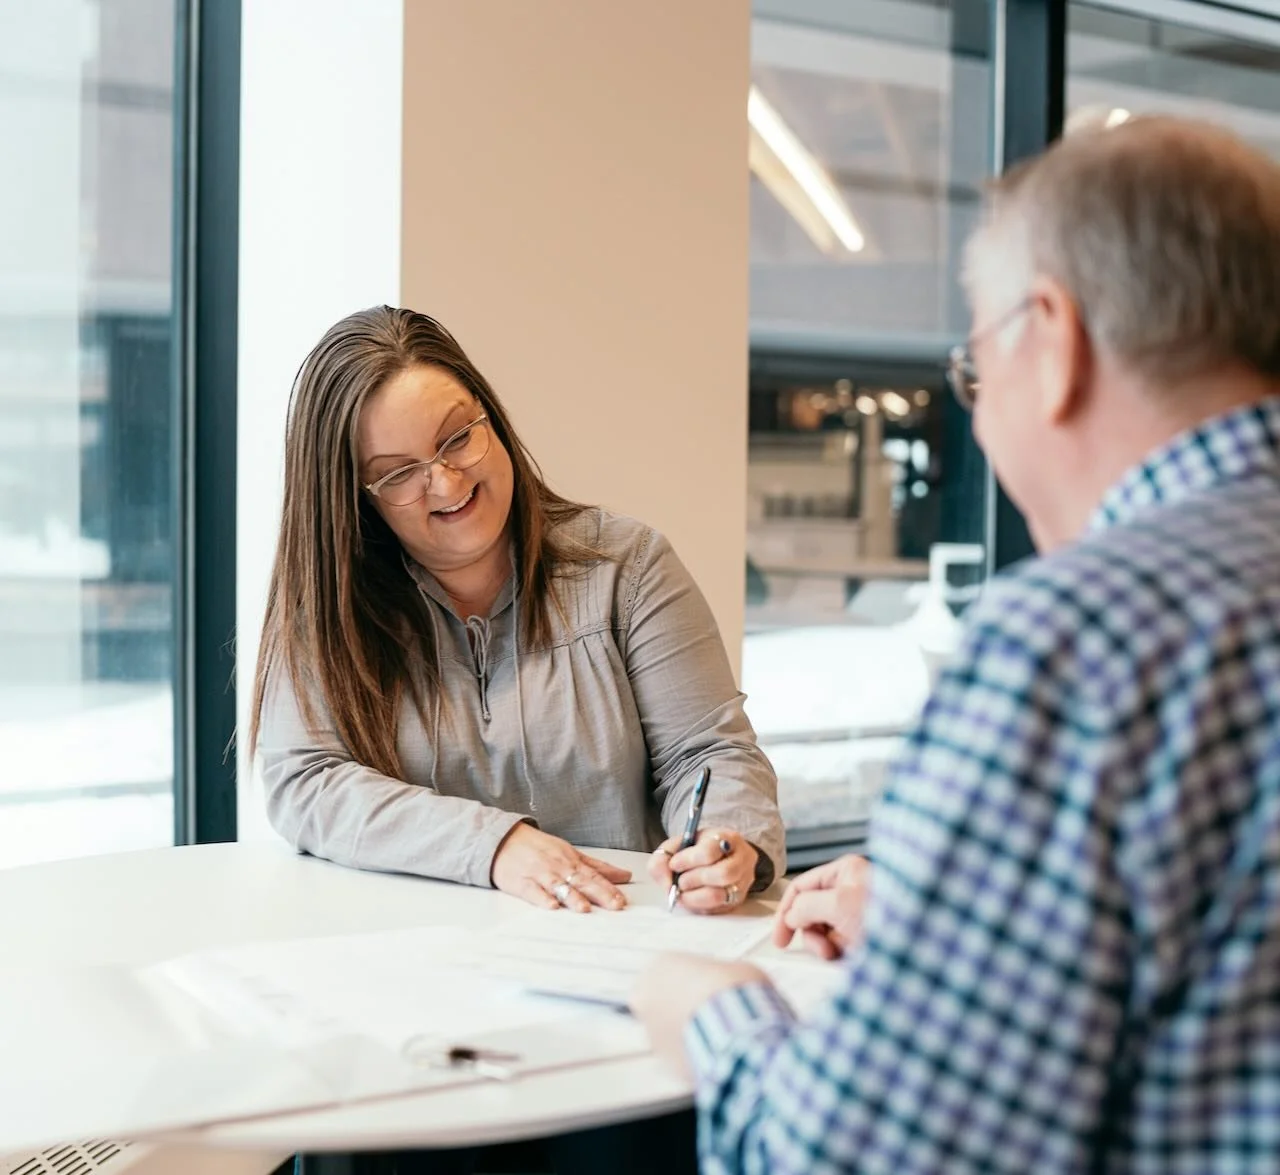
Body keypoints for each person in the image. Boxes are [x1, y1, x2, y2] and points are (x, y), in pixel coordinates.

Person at [634, 115, 1280, 1173]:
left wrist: (716, 1014)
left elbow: (853, 1158)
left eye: (973, 370)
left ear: (1054, 338)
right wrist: (939, 918)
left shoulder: (1070, 645)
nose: (978, 423)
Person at [249, 306, 784, 914]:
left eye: (457, 438)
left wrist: (728, 840)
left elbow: (710, 752)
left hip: (614, 936)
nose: (448, 483)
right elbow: (307, 780)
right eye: (398, 473)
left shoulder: (627, 567)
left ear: (491, 418)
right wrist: (496, 847)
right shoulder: (328, 606)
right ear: (354, 499)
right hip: (408, 956)